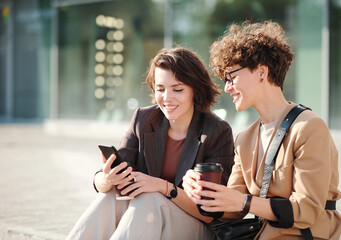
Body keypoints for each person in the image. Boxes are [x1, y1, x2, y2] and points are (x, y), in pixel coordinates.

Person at [182, 21, 341, 239]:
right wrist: (202, 192)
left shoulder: (309, 128)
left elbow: (307, 210)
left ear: (261, 72)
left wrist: (245, 202)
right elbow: (233, 209)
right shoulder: (244, 139)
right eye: (225, 79)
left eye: (232, 76)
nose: (227, 87)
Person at [66, 47, 234, 240]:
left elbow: (210, 211)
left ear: (195, 90)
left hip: (198, 227)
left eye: (177, 89)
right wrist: (107, 179)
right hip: (147, 219)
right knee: (109, 197)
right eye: (160, 89)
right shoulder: (143, 119)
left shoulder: (217, 131)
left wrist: (163, 187)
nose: (167, 98)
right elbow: (108, 177)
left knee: (150, 198)